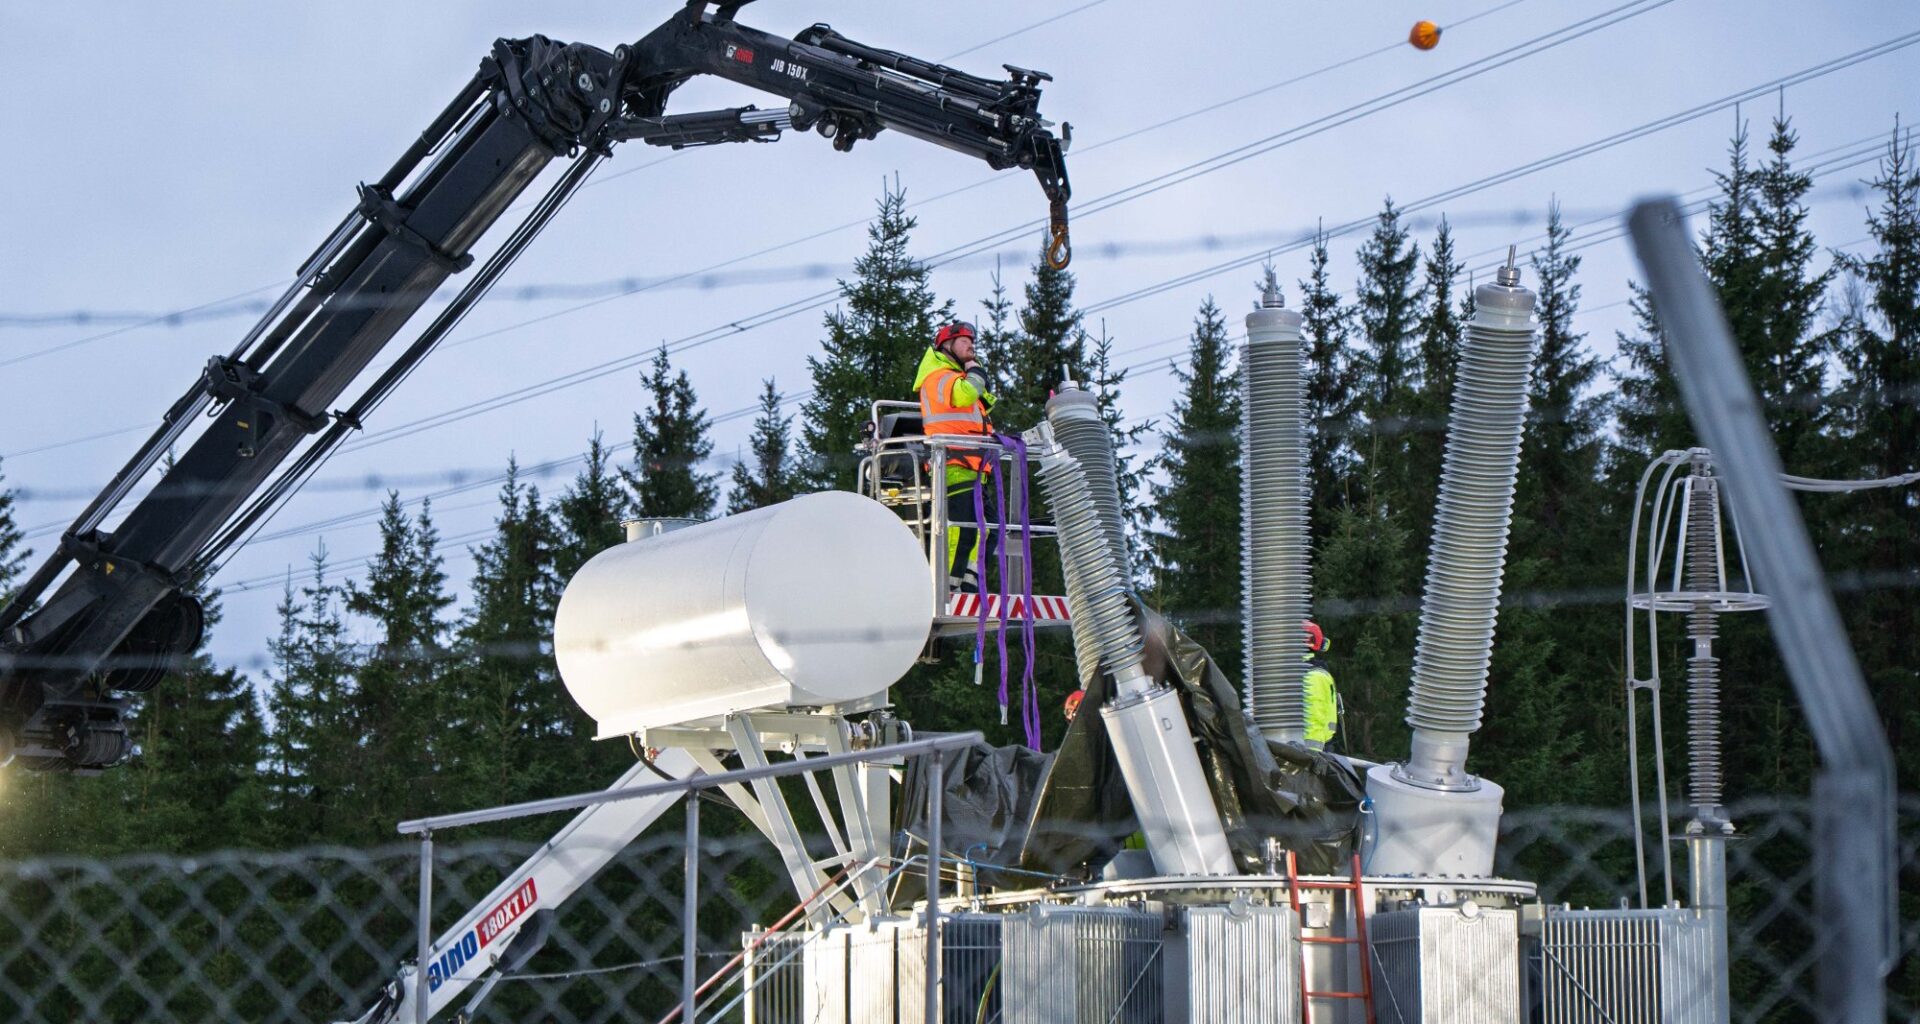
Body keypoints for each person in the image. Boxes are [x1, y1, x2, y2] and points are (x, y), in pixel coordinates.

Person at [915, 320, 997, 593]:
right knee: (961, 529)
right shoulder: (938, 377)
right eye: (964, 341)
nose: (971, 346)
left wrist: (974, 372)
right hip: (953, 464)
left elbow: (982, 401)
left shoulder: (957, 378)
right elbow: (966, 396)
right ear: (947, 346)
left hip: (974, 465)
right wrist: (975, 371)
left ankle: (969, 584)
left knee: (990, 528)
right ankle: (947, 588)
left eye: (972, 342)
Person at [1303, 620, 1340, 749]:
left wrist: (1311, 755)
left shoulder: (1314, 676)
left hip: (1312, 752)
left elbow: (1314, 720)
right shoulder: (1300, 672)